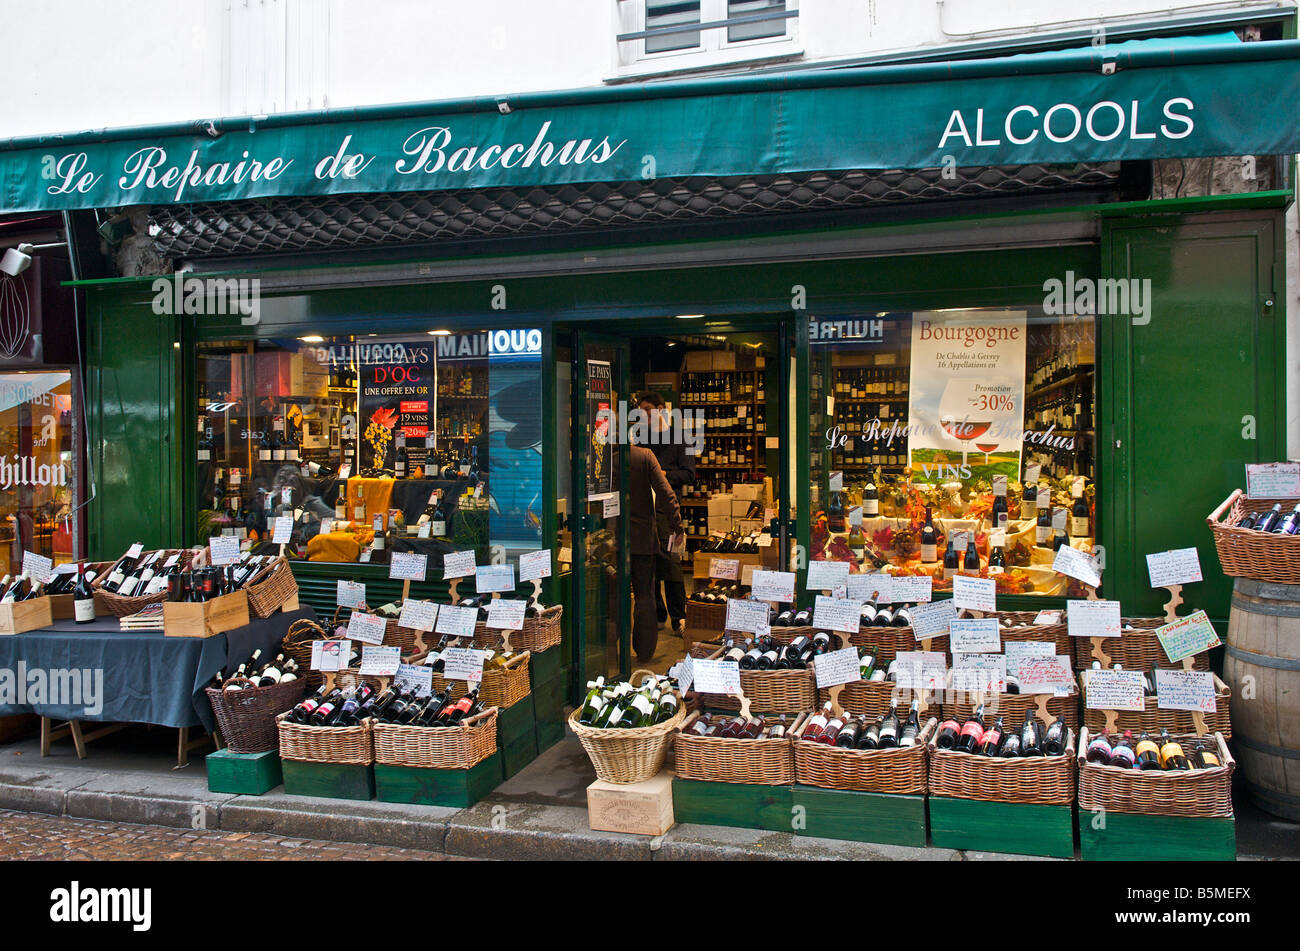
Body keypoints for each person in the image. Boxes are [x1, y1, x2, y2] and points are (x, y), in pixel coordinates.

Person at [634, 391, 695, 636]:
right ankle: (658, 615)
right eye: (641, 410)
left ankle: (679, 618)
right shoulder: (639, 438)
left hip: (668, 512)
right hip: (643, 509)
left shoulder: (681, 438)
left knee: (671, 565)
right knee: (649, 564)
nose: (644, 414)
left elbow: (689, 474)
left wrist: (662, 475)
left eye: (648, 409)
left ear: (662, 409)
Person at [629, 444, 683, 662]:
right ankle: (644, 651)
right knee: (644, 596)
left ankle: (609, 652)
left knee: (612, 597)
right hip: (641, 539)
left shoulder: (602, 459)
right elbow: (665, 492)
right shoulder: (644, 456)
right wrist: (677, 525)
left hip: (610, 541)